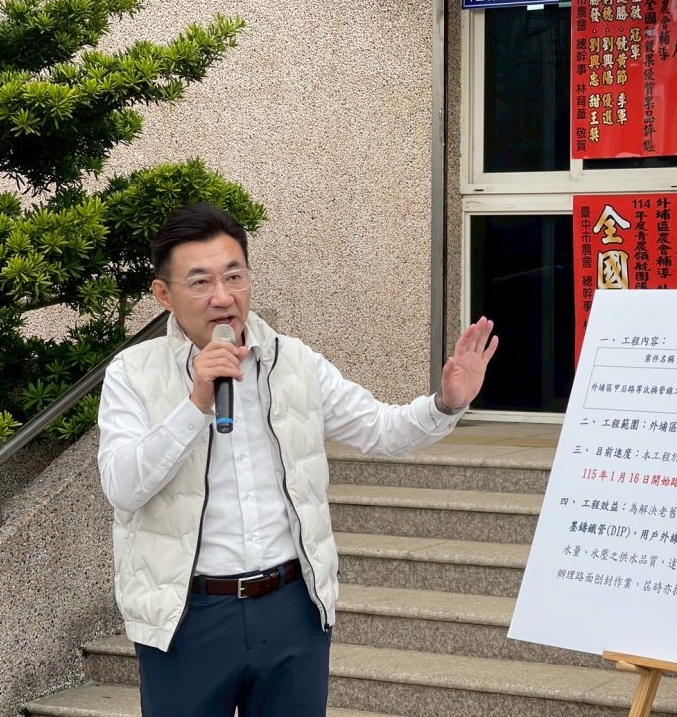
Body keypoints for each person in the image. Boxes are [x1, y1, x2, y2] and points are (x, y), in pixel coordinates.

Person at [97, 201, 499, 717]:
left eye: (234, 276)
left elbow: (379, 429)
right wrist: (196, 404)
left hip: (290, 607)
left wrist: (446, 403)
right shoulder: (132, 373)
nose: (223, 297)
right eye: (200, 282)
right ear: (163, 295)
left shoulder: (295, 362)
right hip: (185, 616)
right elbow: (123, 486)